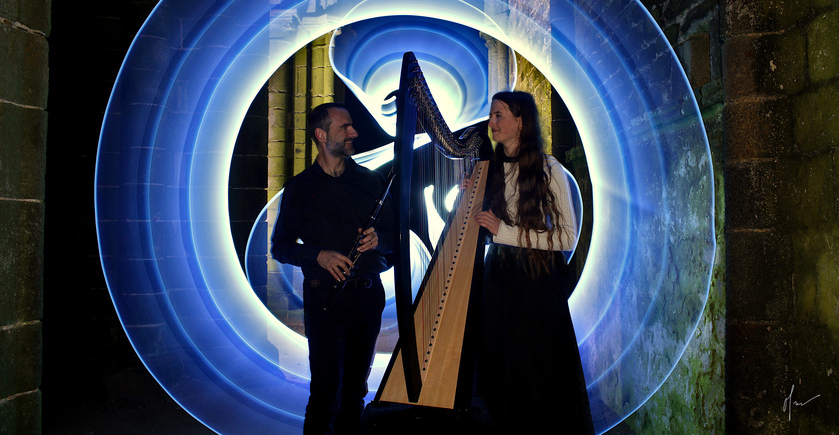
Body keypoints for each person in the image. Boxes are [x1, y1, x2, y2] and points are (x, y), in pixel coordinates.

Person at [472, 91, 594, 434]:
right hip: (499, 279)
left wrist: (505, 232)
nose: (491, 122)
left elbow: (566, 238)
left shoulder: (548, 167)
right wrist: (472, 196)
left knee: (535, 372)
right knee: (502, 370)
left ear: (521, 122)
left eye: (498, 115)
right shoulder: (490, 171)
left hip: (535, 283)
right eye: (491, 115)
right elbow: (482, 230)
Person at [271, 102, 394, 434]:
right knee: (325, 394)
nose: (354, 132)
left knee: (355, 393)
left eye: (351, 126)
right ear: (321, 135)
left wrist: (379, 240)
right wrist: (318, 255)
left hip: (367, 297)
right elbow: (280, 246)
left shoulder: (373, 182)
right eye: (345, 127)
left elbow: (395, 241)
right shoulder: (300, 188)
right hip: (325, 299)